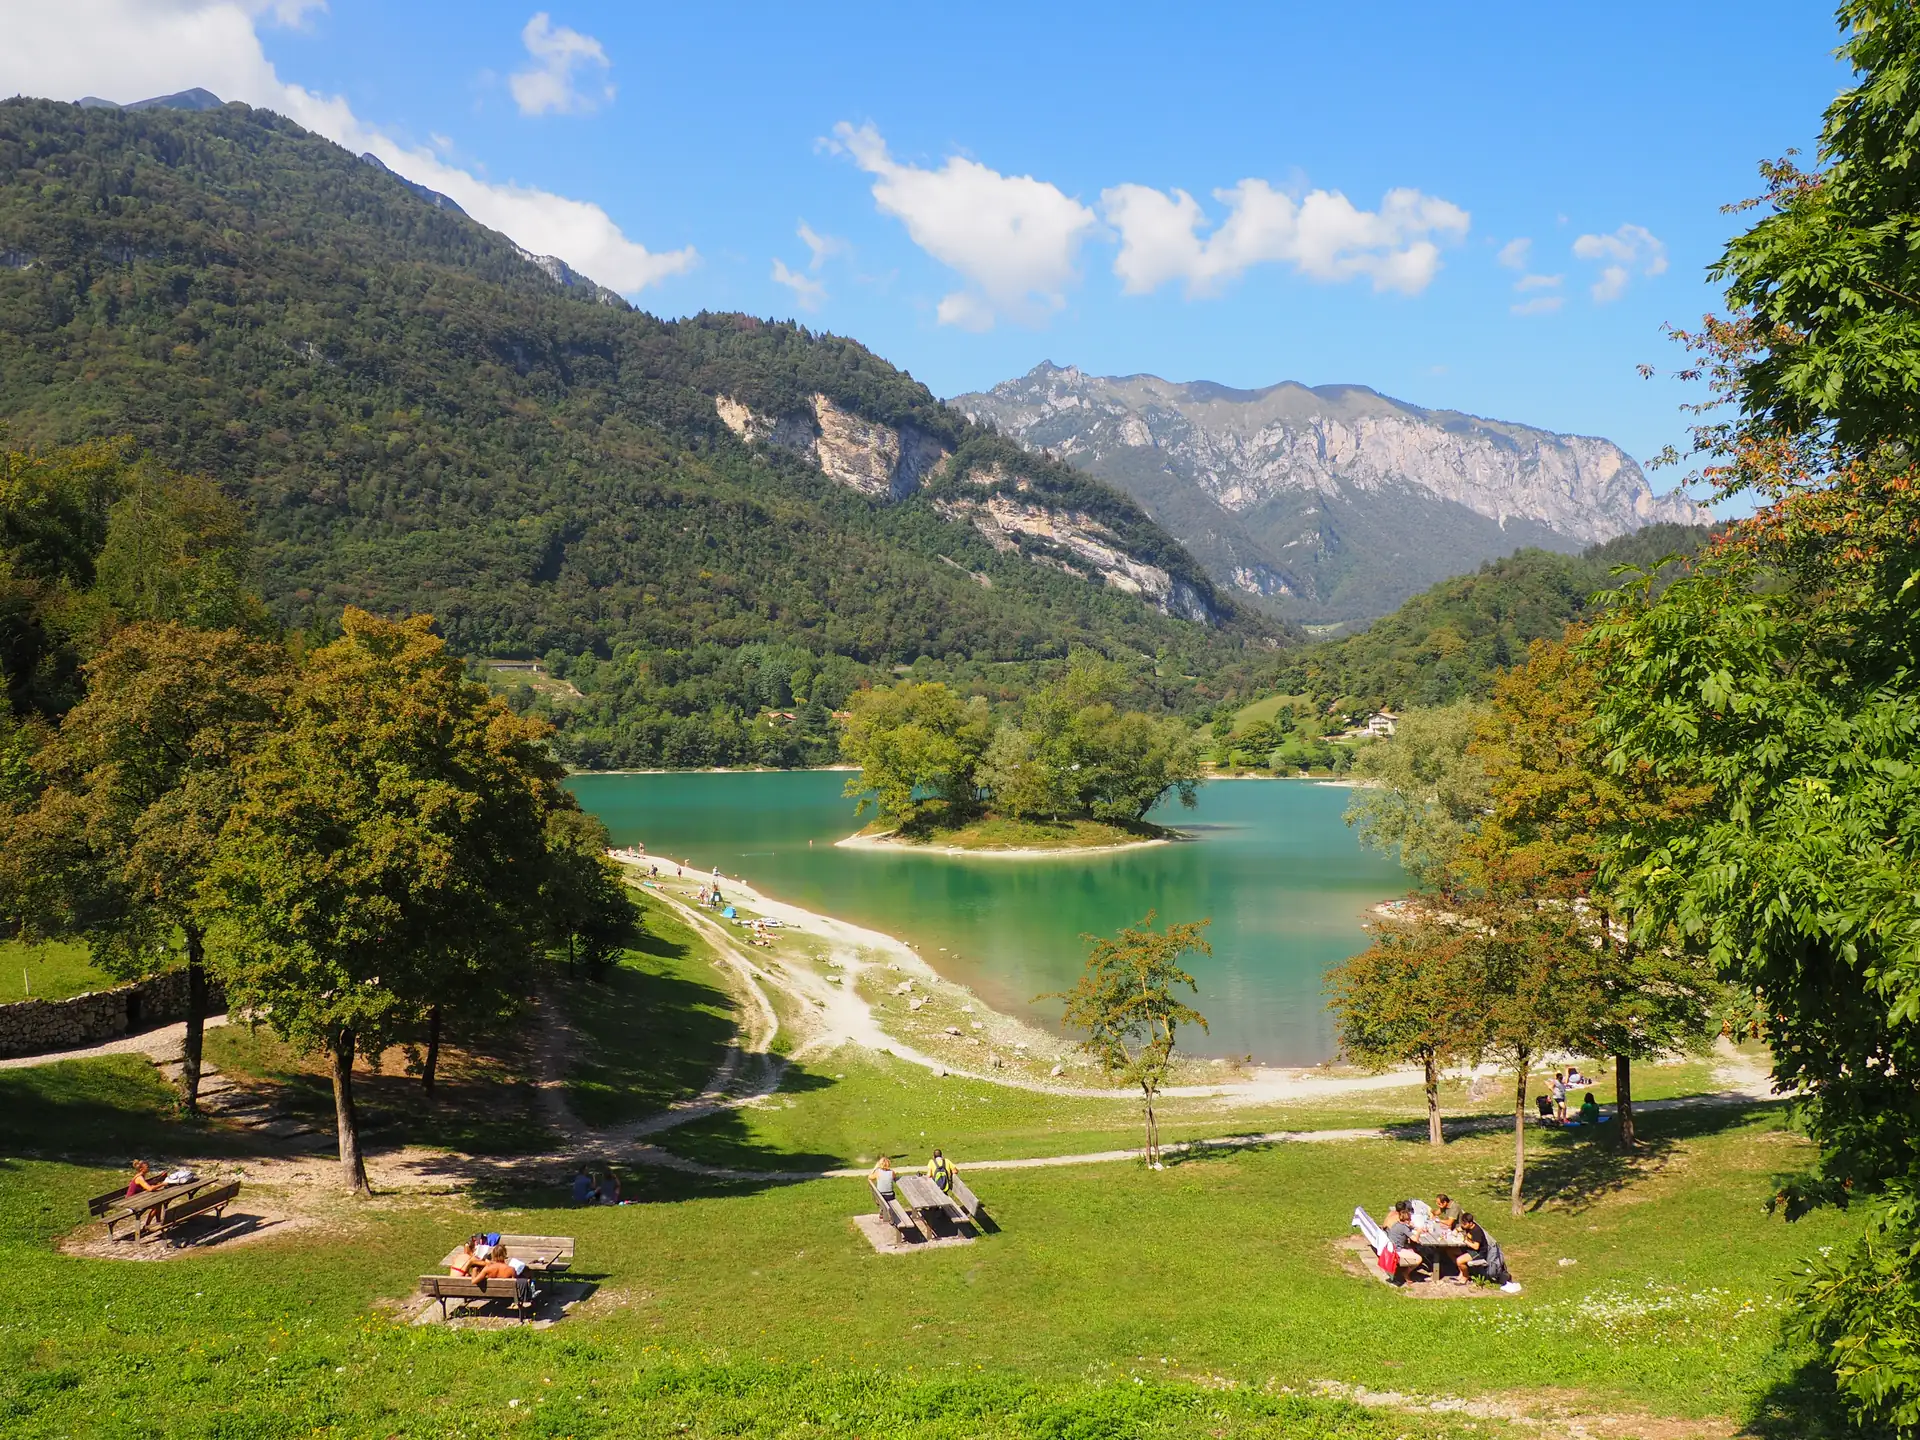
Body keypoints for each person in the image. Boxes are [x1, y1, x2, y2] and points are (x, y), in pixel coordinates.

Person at [1454, 1213, 1513, 1286]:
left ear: (1470, 1223)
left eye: (1465, 1224)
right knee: (1452, 1252)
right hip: (1470, 1249)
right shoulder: (1467, 1226)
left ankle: (1465, 1277)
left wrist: (1465, 1241)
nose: (1463, 1225)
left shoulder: (1476, 1231)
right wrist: (1456, 1231)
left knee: (1459, 1261)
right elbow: (1461, 1228)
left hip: (1478, 1252)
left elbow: (1476, 1247)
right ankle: (1462, 1273)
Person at [1382, 1201, 1424, 1283]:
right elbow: (1415, 1239)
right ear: (1407, 1220)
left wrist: (1413, 1227)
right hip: (1396, 1251)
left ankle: (1407, 1271)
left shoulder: (1398, 1224)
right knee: (1419, 1259)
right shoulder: (1404, 1228)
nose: (1410, 1221)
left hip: (1392, 1248)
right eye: (1409, 1220)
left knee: (1413, 1248)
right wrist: (1419, 1231)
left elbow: (1407, 1227)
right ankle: (1406, 1273)